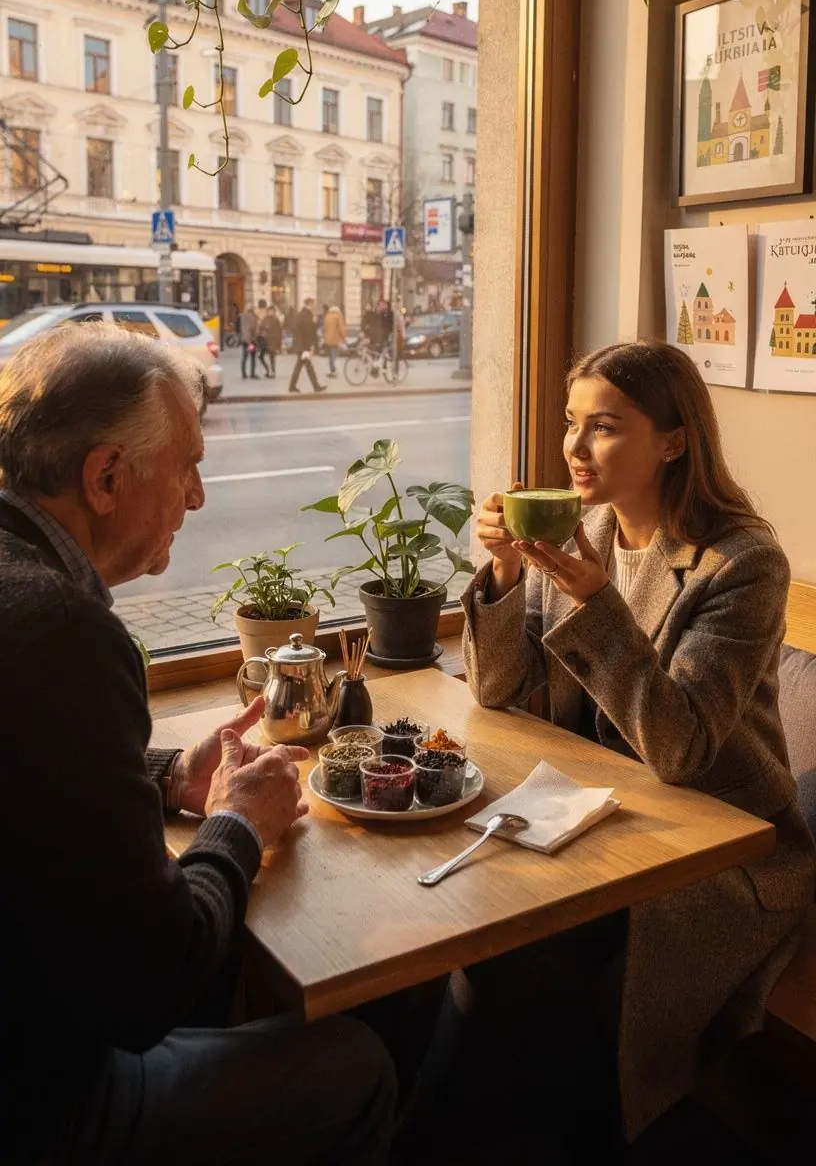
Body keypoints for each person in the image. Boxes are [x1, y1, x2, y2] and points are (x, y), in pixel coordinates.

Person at [0, 324, 395, 1165]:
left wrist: (167, 774)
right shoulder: (58, 631)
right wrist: (239, 824)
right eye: (186, 467)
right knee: (357, 1066)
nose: (199, 498)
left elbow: (28, 768)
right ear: (107, 477)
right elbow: (154, 985)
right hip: (40, 1107)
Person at [414, 341, 816, 1155]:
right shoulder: (584, 526)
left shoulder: (740, 563)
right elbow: (493, 692)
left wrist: (595, 603)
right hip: (605, 818)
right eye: (572, 424)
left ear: (673, 440)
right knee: (469, 934)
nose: (574, 447)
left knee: (517, 968)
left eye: (605, 427)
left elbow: (681, 747)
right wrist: (499, 576)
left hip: (722, 847)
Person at [289, 298, 326, 395]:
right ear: (309, 304)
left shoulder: (302, 314)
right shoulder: (306, 316)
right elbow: (309, 332)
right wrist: (310, 346)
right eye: (314, 304)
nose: (315, 306)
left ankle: (292, 386)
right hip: (303, 346)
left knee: (300, 366)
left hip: (301, 345)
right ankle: (316, 386)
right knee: (308, 367)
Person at [257, 300, 282, 380]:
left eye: (272, 311)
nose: (270, 312)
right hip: (265, 341)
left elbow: (279, 332)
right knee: (260, 357)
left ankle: (273, 372)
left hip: (273, 341)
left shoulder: (276, 320)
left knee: (272, 357)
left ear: (274, 312)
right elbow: (261, 328)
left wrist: (278, 343)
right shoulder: (265, 319)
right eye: (269, 311)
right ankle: (267, 370)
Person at [322, 301, 346, 379]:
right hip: (335, 339)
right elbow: (341, 328)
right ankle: (334, 371)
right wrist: (343, 337)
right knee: (334, 356)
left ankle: (332, 371)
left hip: (327, 340)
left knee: (330, 356)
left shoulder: (327, 316)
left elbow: (324, 328)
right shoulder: (338, 316)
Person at [238, 303, 258, 380]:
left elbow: (243, 329)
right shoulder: (251, 316)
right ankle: (252, 374)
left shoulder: (243, 316)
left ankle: (244, 374)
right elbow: (250, 329)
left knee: (245, 356)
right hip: (250, 340)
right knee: (252, 357)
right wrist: (250, 341)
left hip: (245, 339)